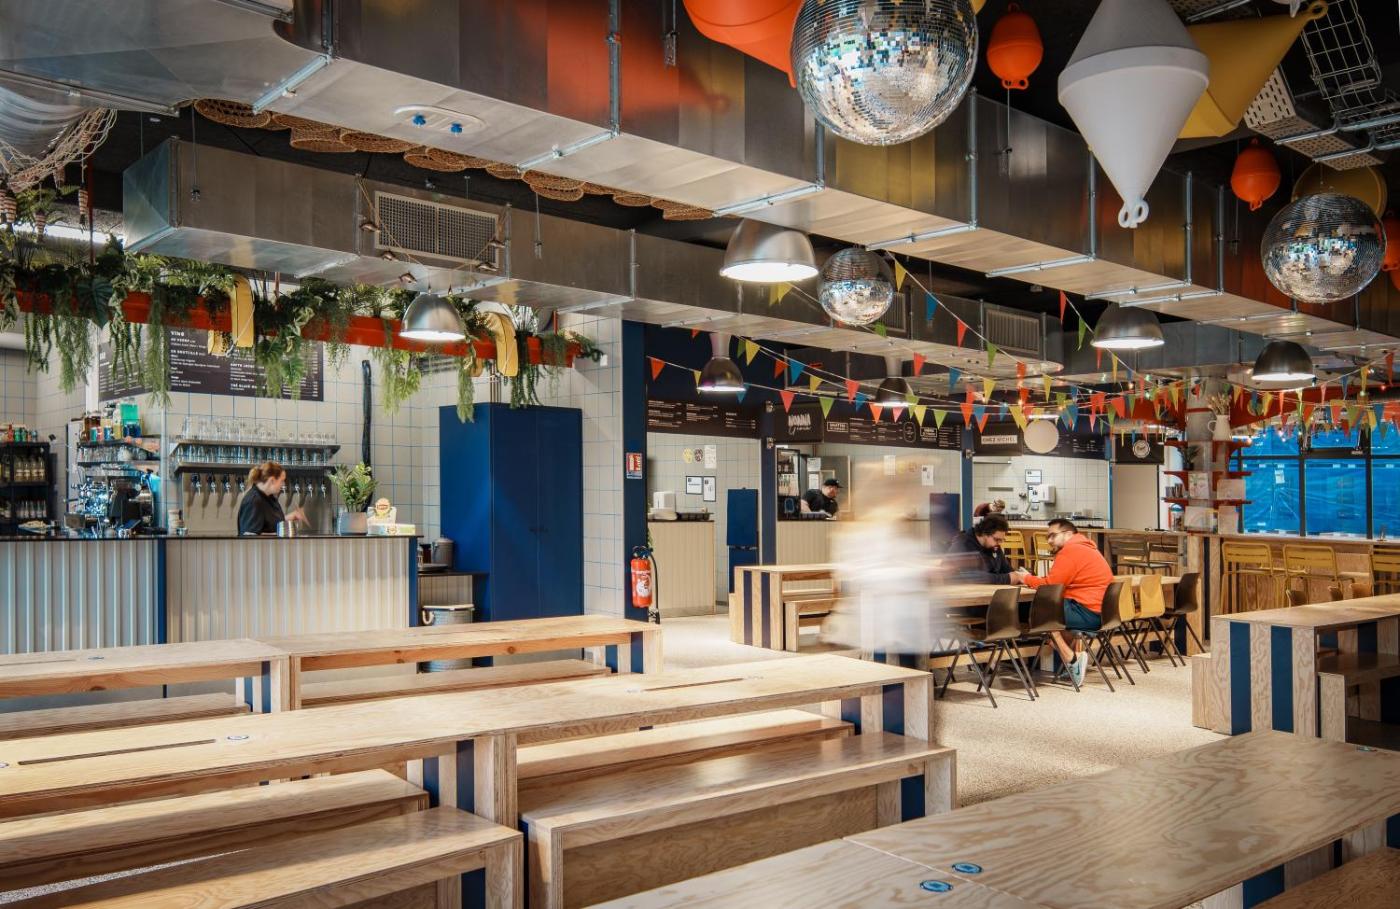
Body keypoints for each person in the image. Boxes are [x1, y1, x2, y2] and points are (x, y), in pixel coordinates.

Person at [1011, 518, 1113, 684]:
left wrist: (1025, 578)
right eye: (1048, 537)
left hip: (1085, 613)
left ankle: (1073, 659)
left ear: (1068, 534)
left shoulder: (1070, 550)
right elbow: (1059, 582)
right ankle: (1070, 662)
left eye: (1053, 535)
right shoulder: (1087, 548)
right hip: (1101, 613)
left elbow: (1051, 585)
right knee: (1046, 616)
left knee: (1036, 613)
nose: (1049, 541)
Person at [237, 461, 306, 535]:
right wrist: (277, 535)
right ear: (272, 480)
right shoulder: (253, 501)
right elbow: (249, 536)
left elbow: (270, 524)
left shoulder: (269, 497)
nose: (283, 484)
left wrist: (289, 517)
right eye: (282, 481)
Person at [943, 513, 1014, 584]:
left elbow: (1006, 569)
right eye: (997, 539)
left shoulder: (994, 546)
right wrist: (1008, 578)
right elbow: (974, 577)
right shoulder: (963, 545)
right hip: (958, 589)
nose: (1000, 543)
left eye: (1002, 540)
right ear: (985, 533)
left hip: (985, 589)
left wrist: (1017, 575)